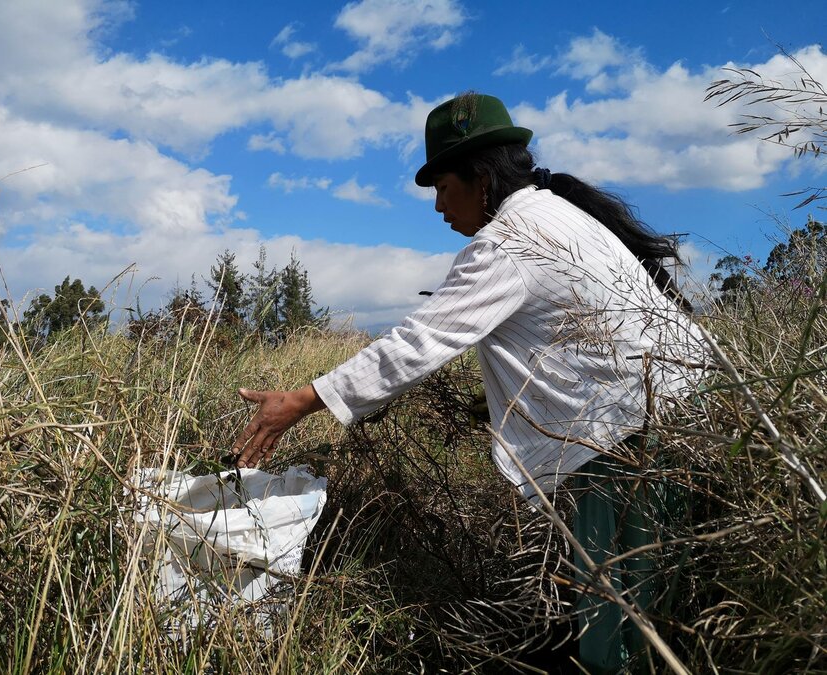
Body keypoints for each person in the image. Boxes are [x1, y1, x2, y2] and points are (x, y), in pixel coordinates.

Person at [230, 92, 704, 673]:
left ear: (480, 180)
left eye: (442, 188)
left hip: (625, 443)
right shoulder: (557, 216)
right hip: (672, 424)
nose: (437, 206)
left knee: (619, 639)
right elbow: (576, 337)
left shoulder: (510, 243)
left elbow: (419, 342)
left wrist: (302, 400)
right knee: (651, 614)